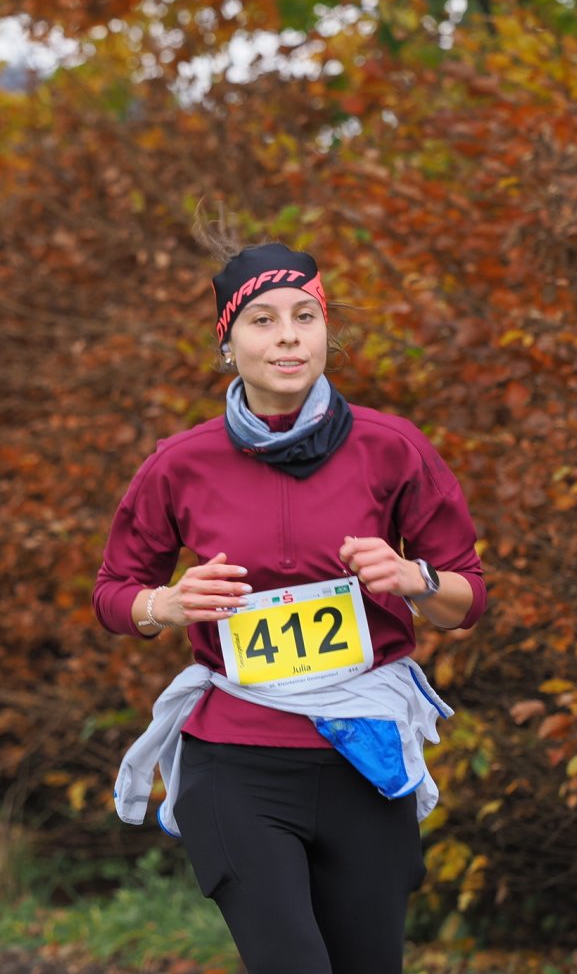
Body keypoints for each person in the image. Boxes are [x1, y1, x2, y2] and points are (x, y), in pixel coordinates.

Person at [93, 237, 485, 974]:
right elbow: (113, 593)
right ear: (227, 343)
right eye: (263, 321)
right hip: (234, 762)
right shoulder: (180, 463)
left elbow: (466, 598)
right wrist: (166, 605)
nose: (288, 338)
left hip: (363, 757)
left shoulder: (393, 448)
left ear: (326, 330)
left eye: (305, 317)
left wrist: (415, 578)